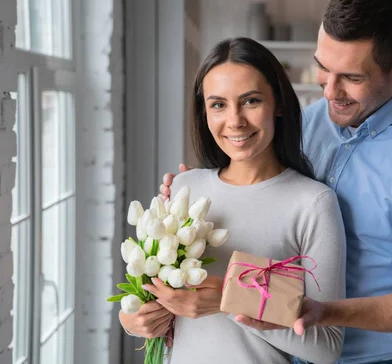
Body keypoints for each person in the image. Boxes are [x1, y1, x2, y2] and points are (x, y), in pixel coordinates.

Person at [160, 0, 392, 364]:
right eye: (323, 69)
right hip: (280, 351)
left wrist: (325, 312)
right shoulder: (306, 124)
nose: (330, 91)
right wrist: (197, 187)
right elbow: (259, 186)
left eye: (352, 77)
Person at [120, 37, 347, 364]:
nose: (235, 120)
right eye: (218, 104)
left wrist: (231, 299)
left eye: (251, 101)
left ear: (278, 103)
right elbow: (144, 295)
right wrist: (134, 321)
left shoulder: (313, 203)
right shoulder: (184, 188)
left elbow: (326, 346)